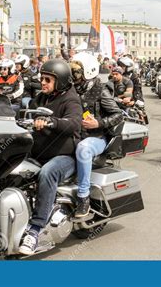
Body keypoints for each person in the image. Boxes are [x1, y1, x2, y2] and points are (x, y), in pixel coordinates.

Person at [18, 60, 82, 255]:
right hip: (39, 152)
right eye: (42, 78)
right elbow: (24, 112)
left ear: (60, 81)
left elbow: (74, 123)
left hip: (64, 156)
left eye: (47, 79)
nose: (43, 82)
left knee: (48, 173)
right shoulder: (42, 97)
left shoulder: (71, 100)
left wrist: (51, 122)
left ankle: (35, 231)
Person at [70, 55, 123, 217]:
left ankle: (83, 196)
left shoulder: (100, 90)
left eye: (76, 72)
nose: (73, 76)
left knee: (83, 148)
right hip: (75, 133)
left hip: (97, 138)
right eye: (71, 72)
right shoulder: (71, 89)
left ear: (88, 72)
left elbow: (118, 115)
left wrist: (98, 123)